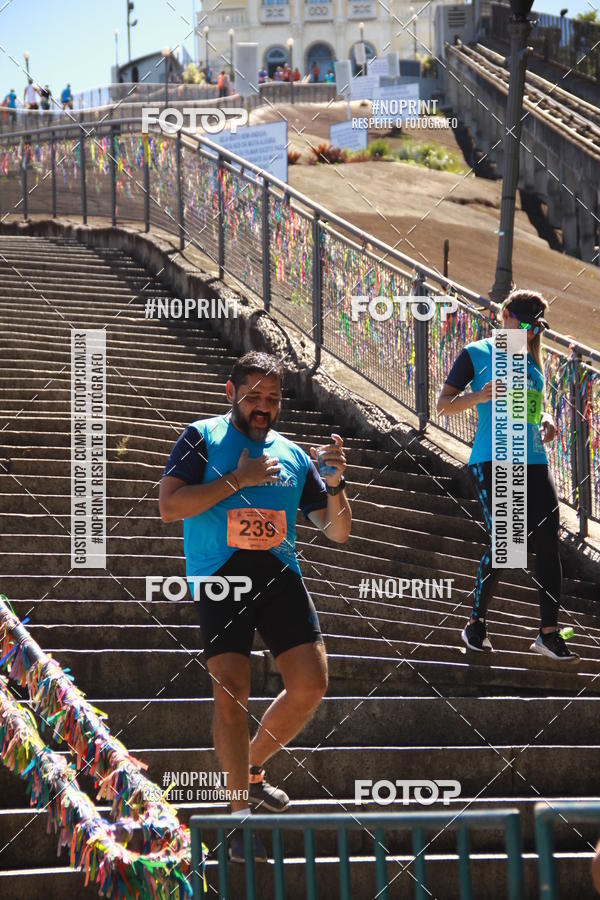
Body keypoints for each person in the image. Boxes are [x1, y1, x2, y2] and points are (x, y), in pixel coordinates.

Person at [159, 352, 352, 862]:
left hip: (279, 573)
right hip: (221, 574)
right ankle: (238, 816)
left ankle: (250, 768)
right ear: (231, 392)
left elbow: (337, 530)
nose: (263, 406)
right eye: (254, 396)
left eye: (273, 397)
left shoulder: (292, 454)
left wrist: (334, 484)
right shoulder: (200, 437)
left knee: (311, 684)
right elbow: (168, 506)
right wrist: (238, 481)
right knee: (232, 692)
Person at [436, 289, 579, 664]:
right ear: (505, 316)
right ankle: (476, 625)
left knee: (549, 544)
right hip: (494, 459)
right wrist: (479, 397)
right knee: (509, 545)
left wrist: (546, 420)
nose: (530, 333)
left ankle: (548, 635)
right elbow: (443, 405)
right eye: (525, 324)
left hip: (534, 460)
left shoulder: (532, 366)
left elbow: (531, 412)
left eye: (535, 328)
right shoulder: (477, 353)